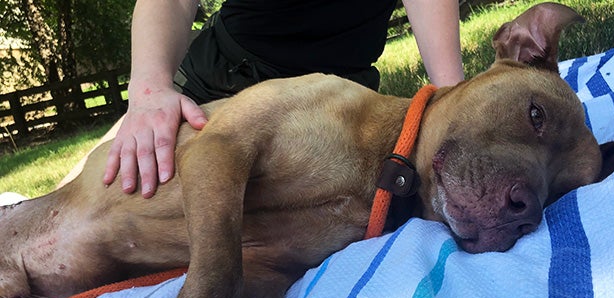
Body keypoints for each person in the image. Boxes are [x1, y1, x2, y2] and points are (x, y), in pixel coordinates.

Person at [104, 0, 465, 198]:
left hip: (338, 105)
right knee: (102, 203)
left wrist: (453, 105)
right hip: (218, 85)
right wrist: (148, 93)